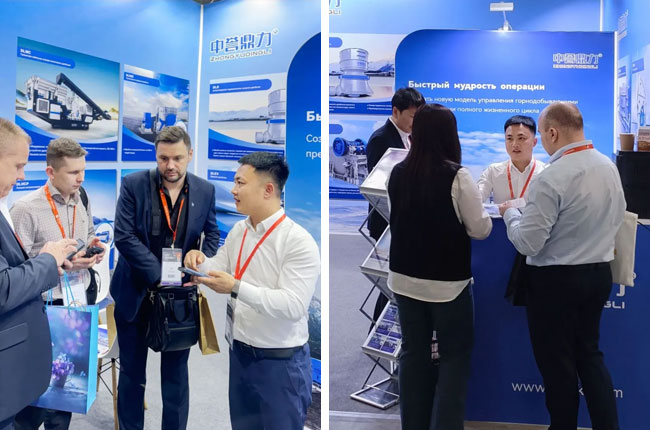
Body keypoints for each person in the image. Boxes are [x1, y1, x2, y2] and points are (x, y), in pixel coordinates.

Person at [499, 102, 624, 429]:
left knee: (558, 366)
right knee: (590, 357)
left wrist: (511, 214)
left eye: (540, 134)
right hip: (599, 274)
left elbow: (528, 243)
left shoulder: (552, 177)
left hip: (555, 282)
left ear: (553, 133)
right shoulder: (608, 166)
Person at [184, 152, 319, 430]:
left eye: (240, 183)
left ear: (268, 190)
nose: (233, 190)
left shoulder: (297, 241)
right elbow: (219, 266)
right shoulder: (240, 230)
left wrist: (235, 287)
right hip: (241, 357)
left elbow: (293, 305)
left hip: (280, 365)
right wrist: (199, 262)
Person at [386, 104, 492, 430]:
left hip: (403, 280)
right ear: (450, 135)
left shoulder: (397, 173)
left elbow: (395, 218)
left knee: (413, 354)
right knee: (454, 358)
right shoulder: (457, 175)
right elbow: (480, 228)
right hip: (448, 285)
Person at [110, 126, 220, 430]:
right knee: (132, 375)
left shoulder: (205, 190)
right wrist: (158, 275)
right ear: (156, 155)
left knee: (176, 377)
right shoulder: (133, 185)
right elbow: (124, 236)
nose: (170, 165)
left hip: (179, 299)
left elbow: (212, 234)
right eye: (163, 158)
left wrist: (201, 256)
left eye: (177, 158)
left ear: (190, 155)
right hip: (135, 294)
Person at [10, 137, 106, 430]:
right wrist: (58, 264)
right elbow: (17, 268)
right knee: (35, 399)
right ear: (51, 172)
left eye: (83, 170)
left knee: (64, 398)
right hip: (43, 309)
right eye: (73, 172)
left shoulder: (82, 197)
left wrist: (92, 249)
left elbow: (86, 234)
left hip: (77, 303)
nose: (81, 178)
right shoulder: (26, 209)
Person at [0, 118, 78, 430]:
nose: (22, 175)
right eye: (18, 166)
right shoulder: (24, 207)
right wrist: (47, 260)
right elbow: (4, 288)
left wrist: (51, 260)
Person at [366, 87, 425, 325]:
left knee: (398, 280)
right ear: (395, 111)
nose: (416, 122)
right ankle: (377, 328)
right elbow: (378, 183)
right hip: (386, 220)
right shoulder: (381, 139)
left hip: (408, 221)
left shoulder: (413, 137)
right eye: (412, 116)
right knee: (390, 281)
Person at [477, 115, 546, 204]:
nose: (514, 144)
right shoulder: (493, 171)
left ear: (534, 142)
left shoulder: (545, 171)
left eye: (521, 138)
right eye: (509, 138)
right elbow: (475, 200)